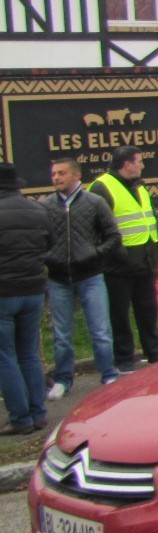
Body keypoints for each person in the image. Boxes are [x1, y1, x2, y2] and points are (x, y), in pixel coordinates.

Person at [39, 157, 120, 401]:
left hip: (91, 275)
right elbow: (40, 239)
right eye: (54, 174)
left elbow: (113, 237)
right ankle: (64, 379)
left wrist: (94, 255)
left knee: (100, 330)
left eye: (62, 173)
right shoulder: (46, 205)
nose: (56, 178)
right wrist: (49, 257)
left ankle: (108, 374)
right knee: (62, 335)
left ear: (76, 175)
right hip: (58, 278)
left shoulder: (94, 203)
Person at [88, 146, 158, 373]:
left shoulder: (139, 186)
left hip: (144, 260)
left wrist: (157, 245)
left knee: (148, 310)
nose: (142, 165)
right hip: (118, 265)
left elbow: (148, 217)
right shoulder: (102, 187)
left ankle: (154, 354)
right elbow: (96, 228)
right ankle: (124, 359)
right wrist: (113, 254)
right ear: (127, 164)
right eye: (139, 161)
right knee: (119, 315)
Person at [0, 163, 54, 435]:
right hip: (34, 289)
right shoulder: (38, 209)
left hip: (3, 292)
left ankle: (20, 418)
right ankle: (39, 413)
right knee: (29, 353)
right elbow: (50, 243)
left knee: (5, 356)